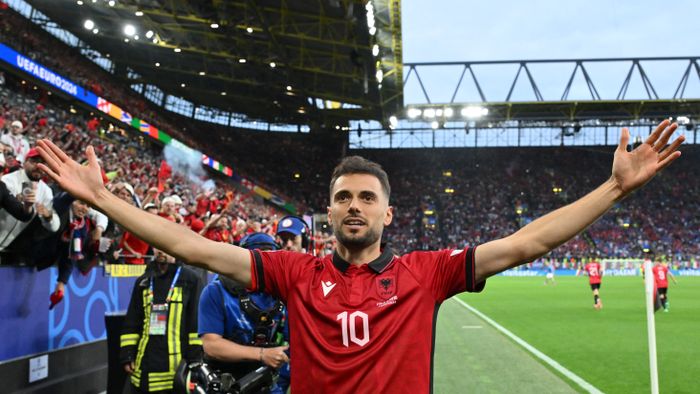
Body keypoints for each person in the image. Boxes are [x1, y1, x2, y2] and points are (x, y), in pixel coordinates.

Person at [36, 119, 684, 393]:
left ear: (386, 213)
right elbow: (188, 244)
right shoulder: (293, 272)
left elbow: (528, 242)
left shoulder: (424, 275)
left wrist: (615, 189)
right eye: (342, 196)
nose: (353, 205)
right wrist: (104, 200)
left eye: (366, 197)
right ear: (330, 210)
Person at [198, 232, 290, 393]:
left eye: (271, 259)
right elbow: (211, 345)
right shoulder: (216, 291)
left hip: (269, 384)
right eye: (260, 259)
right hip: (227, 382)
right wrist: (262, 354)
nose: (266, 265)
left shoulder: (282, 292)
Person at [120, 249, 204, 393]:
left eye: (165, 246)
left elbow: (195, 323)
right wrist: (127, 354)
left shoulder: (192, 280)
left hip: (176, 374)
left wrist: (195, 360)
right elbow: (133, 321)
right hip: (142, 372)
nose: (161, 251)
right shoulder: (143, 281)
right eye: (157, 246)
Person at [0, 148, 60, 264]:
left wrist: (48, 216)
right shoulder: (8, 180)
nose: (39, 166)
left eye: (44, 164)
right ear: (25, 161)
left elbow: (54, 226)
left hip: (12, 250)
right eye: (34, 161)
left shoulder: (46, 191)